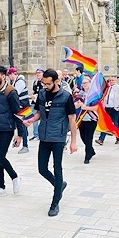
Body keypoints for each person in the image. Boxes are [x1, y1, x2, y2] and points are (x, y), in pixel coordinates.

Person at [23, 69, 78, 217]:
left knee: (57, 169)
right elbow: (40, 113)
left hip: (58, 137)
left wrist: (73, 141)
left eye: (48, 83)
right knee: (42, 168)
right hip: (44, 136)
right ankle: (59, 186)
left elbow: (72, 120)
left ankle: (55, 203)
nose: (45, 86)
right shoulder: (41, 94)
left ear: (56, 81)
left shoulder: (66, 97)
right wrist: (31, 120)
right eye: (43, 83)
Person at [0, 66, 23, 198]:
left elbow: (18, 113)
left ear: (3, 76)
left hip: (6, 129)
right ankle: (0, 186)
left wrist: (20, 134)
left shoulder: (10, 92)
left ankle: (14, 177)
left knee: (0, 156)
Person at [74, 75, 98, 163]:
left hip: (92, 119)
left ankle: (87, 157)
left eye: (86, 83)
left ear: (90, 83)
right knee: (83, 137)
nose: (84, 84)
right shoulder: (80, 94)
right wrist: (77, 105)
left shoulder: (94, 94)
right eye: (83, 83)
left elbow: (97, 107)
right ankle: (91, 151)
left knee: (88, 138)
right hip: (82, 119)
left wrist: (85, 107)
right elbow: (75, 104)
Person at [96, 76, 119, 145]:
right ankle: (101, 139)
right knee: (106, 124)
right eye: (110, 80)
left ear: (115, 80)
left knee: (116, 123)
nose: (111, 81)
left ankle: (118, 138)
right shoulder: (107, 88)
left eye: (112, 80)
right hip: (107, 108)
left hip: (115, 109)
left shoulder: (118, 88)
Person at [7, 67, 30, 153]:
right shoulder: (16, 81)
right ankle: (22, 142)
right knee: (23, 126)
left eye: (9, 75)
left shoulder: (20, 81)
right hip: (23, 106)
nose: (9, 77)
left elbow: (16, 93)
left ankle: (25, 146)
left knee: (22, 125)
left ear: (12, 74)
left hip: (23, 107)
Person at [30, 68, 44, 140]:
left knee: (42, 118)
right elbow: (34, 91)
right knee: (33, 117)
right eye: (37, 73)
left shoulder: (44, 82)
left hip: (41, 103)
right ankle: (36, 134)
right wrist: (32, 95)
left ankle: (40, 134)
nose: (38, 74)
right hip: (34, 102)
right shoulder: (35, 82)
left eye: (39, 73)